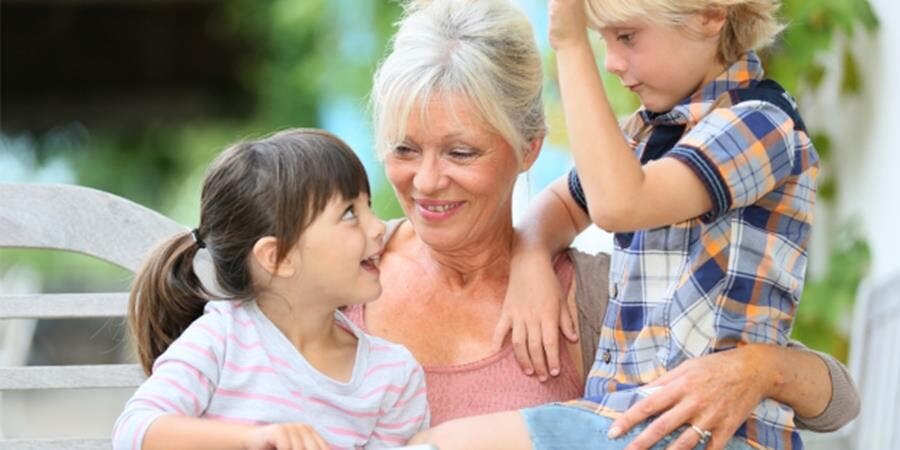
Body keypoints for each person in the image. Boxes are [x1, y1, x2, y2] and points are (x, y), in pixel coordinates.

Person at [352, 0, 856, 447]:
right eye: (404, 149)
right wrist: (530, 257)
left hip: (678, 428)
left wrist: (761, 370)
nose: (428, 180)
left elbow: (841, 401)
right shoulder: (334, 279)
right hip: (626, 420)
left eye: (460, 152)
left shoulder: (760, 122)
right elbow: (570, 203)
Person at [112, 129, 428, 450]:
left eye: (369, 206)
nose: (378, 227)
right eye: (349, 213)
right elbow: (133, 431)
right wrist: (253, 439)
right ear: (278, 258)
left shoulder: (392, 375)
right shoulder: (222, 339)